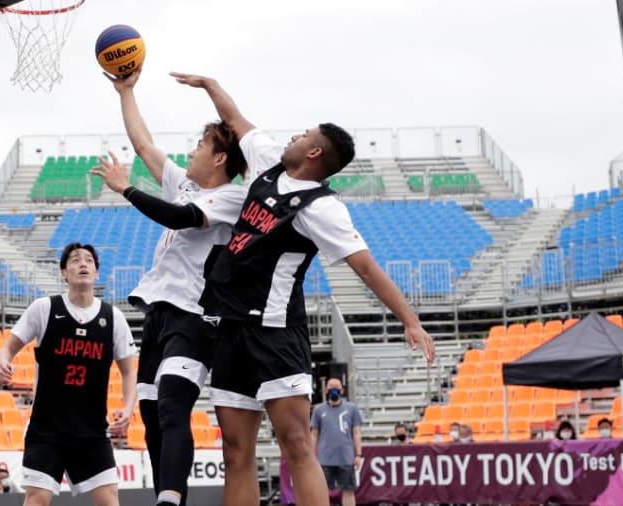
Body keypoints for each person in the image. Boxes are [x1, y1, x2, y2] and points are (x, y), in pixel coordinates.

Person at [170, 72, 437, 506]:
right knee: (236, 451)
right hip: (231, 325)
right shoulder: (269, 158)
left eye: (305, 134)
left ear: (314, 152)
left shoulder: (323, 209)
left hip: (276, 331)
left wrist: (410, 321)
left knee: (295, 444)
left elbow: (366, 268)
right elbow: (235, 120)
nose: (295, 134)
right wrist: (210, 85)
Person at [91, 68, 247, 506]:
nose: (192, 151)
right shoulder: (185, 183)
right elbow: (143, 145)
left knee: (174, 406)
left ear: (219, 159)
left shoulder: (229, 197)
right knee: (151, 414)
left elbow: (180, 218)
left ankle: (169, 500)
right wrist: (126, 92)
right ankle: (167, 494)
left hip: (195, 316)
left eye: (201, 145)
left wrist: (126, 189)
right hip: (159, 312)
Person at [0, 243, 138, 506]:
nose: (82, 264)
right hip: (47, 427)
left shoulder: (114, 317)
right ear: (64, 273)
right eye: (74, 260)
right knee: (37, 498)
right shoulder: (44, 308)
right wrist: (4, 361)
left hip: (93, 429)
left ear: (96, 273)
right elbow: (7, 348)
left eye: (88, 260)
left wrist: (129, 408)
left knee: (110, 501)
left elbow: (129, 371)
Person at [310, 377, 361, 506]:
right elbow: (314, 434)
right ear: (326, 390)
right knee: (321, 491)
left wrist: (358, 454)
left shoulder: (351, 408)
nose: (333, 391)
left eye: (336, 388)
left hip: (346, 457)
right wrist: (311, 455)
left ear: (342, 390)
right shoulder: (318, 410)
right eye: (330, 388)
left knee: (348, 490)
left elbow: (356, 432)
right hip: (325, 458)